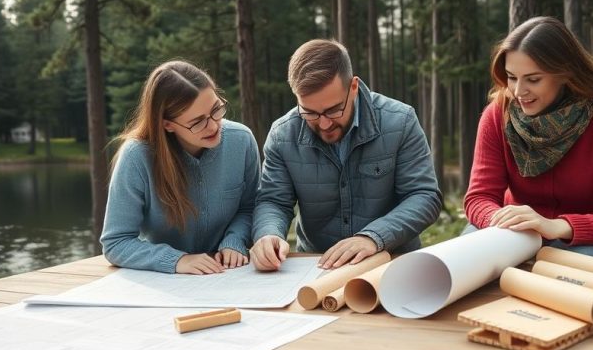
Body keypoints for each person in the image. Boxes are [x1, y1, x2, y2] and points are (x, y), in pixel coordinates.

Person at [464, 16, 593, 259]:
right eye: (512, 77)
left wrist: (556, 226)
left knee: (557, 280)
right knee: (464, 265)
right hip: (514, 235)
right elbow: (479, 197)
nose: (519, 92)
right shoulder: (497, 115)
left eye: (533, 79)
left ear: (565, 73)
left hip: (586, 242)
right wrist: (499, 220)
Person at [251, 39, 442, 271]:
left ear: (353, 87)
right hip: (316, 266)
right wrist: (268, 233)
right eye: (309, 112)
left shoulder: (400, 121)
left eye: (333, 110)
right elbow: (274, 201)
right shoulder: (282, 135)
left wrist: (373, 237)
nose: (323, 123)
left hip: (392, 263)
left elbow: (424, 196)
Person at [100, 60, 259, 274]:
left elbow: (249, 208)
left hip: (229, 273)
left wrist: (235, 240)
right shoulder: (136, 156)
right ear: (168, 125)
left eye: (216, 110)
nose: (213, 125)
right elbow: (116, 242)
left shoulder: (242, 140)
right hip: (167, 282)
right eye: (197, 122)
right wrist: (177, 260)